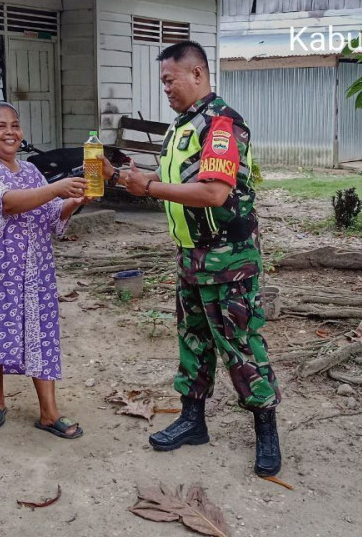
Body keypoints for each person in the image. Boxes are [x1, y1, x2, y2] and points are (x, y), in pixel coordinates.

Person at [100, 40, 283, 477]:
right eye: (162, 81)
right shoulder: (182, 125)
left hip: (228, 259)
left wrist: (148, 187)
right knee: (194, 341)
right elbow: (176, 183)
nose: (165, 88)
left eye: (170, 79)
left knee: (240, 344)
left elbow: (213, 192)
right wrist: (125, 177)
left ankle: (266, 430)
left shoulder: (221, 124)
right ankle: (192, 420)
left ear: (197, 74)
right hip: (192, 257)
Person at [0, 101, 91, 438]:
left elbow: (50, 215)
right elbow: (5, 203)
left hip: (34, 270)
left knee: (40, 331)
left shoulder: (30, 171)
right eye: (1, 126)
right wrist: (57, 188)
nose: (11, 132)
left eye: (15, 125)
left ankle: (49, 412)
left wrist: (75, 200)